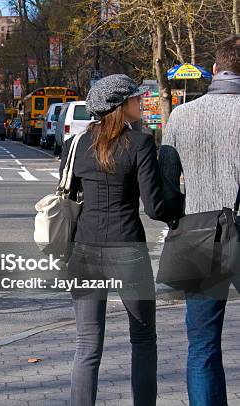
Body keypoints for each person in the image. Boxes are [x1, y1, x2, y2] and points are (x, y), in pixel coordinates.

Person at [61, 74, 181, 406]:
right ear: (120, 106)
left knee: (87, 344)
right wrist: (180, 211)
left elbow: (68, 194)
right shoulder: (140, 144)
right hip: (127, 248)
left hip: (84, 248)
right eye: (135, 98)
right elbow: (154, 207)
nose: (140, 102)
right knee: (143, 338)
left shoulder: (75, 145)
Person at [159, 34, 240, 406]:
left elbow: (166, 184)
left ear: (215, 68)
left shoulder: (181, 115)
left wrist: (179, 216)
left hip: (198, 230)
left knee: (202, 346)